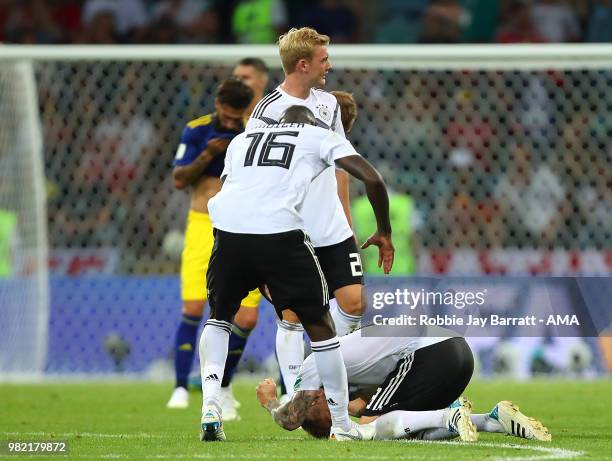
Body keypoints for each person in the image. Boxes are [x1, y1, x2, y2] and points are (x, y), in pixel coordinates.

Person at [199, 105, 394, 442]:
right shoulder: (316, 135)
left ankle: (210, 407)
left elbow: (234, 188)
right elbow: (373, 177)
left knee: (218, 319)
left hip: (227, 232)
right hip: (280, 233)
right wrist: (384, 231)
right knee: (320, 328)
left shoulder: (241, 140)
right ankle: (342, 424)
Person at [247, 27, 370, 397]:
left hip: (330, 226)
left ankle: (328, 381)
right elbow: (255, 177)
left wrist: (346, 222)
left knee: (354, 302)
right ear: (304, 64)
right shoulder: (266, 111)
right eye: (323, 59)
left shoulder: (328, 104)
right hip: (290, 230)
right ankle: (295, 394)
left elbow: (339, 166)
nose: (329, 65)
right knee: (293, 315)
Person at [256, 325, 551, 442]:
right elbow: (361, 403)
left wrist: (271, 402)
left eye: (331, 419)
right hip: (458, 353)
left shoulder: (314, 363)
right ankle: (492, 420)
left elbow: (291, 419)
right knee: (410, 431)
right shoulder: (344, 371)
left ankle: (450, 416)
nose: (338, 420)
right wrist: (355, 411)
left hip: (431, 353)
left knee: (374, 425)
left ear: (317, 398)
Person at [166, 78, 256, 411]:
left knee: (246, 318)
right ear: (218, 104)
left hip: (241, 226)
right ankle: (179, 387)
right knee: (192, 307)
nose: (232, 123)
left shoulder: (252, 133)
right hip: (202, 225)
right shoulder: (197, 130)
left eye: (238, 117)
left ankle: (225, 388)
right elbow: (179, 179)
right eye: (228, 115)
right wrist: (208, 154)